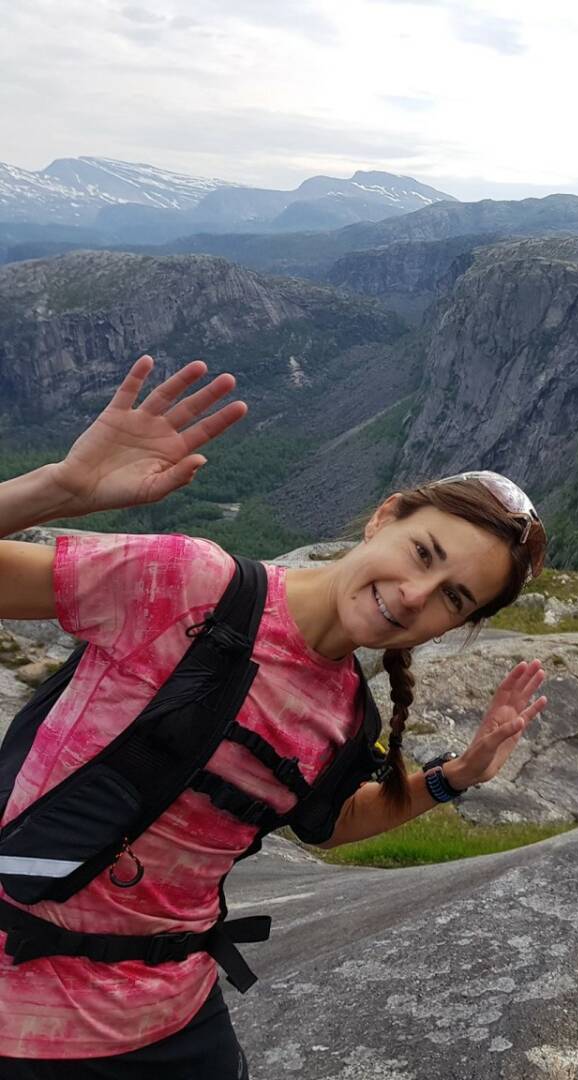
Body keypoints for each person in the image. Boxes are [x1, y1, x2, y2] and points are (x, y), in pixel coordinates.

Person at [0, 355, 549, 1077]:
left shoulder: (347, 714)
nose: (417, 594)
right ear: (384, 515)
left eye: (453, 597)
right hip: (20, 1008)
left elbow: (328, 822)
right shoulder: (189, 583)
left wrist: (458, 776)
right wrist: (60, 488)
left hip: (170, 1021)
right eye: (422, 552)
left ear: (454, 626)